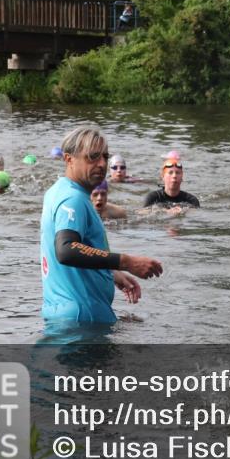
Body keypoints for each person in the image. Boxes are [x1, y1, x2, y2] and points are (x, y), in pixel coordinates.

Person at [40, 127, 162, 324]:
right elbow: (66, 250)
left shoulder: (57, 191)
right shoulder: (73, 199)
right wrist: (127, 262)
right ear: (69, 159)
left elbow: (75, 250)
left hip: (63, 312)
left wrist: (109, 272)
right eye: (92, 157)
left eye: (105, 157)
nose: (102, 164)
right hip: (83, 317)